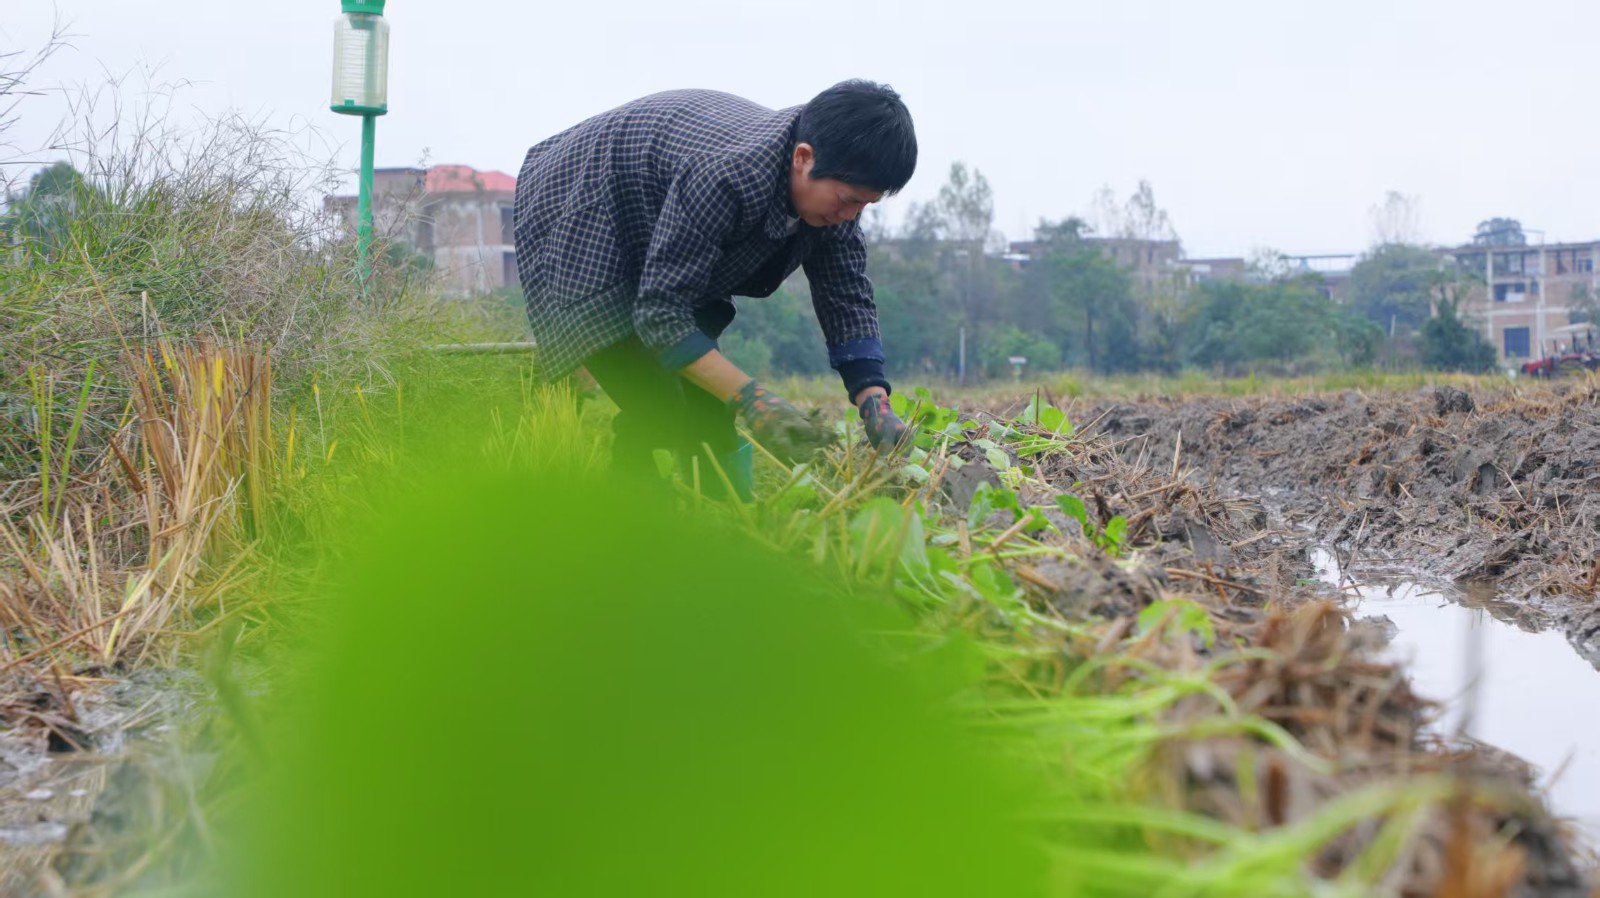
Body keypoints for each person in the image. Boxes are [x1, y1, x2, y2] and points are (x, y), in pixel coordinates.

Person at [512, 80, 916, 499]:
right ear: (803, 158)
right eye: (849, 200)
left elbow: (845, 294)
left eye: (864, 206)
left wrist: (874, 400)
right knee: (658, 406)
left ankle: (726, 519)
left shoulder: (835, 193)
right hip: (585, 204)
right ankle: (634, 515)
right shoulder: (726, 174)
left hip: (668, 222)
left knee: (710, 408)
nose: (851, 215)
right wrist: (754, 398)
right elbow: (661, 313)